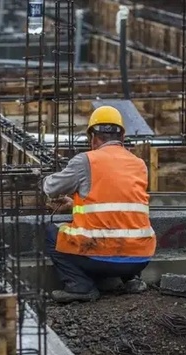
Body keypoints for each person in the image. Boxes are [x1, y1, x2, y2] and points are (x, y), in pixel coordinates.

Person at [42, 105, 157, 303]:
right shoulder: (139, 164)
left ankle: (80, 287)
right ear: (121, 136)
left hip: (99, 258)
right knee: (128, 226)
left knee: (48, 230)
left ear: (93, 137)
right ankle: (131, 281)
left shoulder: (86, 161)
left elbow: (51, 188)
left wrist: (45, 179)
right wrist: (74, 204)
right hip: (140, 259)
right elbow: (119, 202)